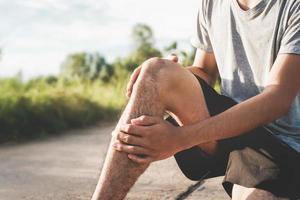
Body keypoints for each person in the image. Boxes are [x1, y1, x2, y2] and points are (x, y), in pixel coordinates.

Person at [91, 0, 300, 199]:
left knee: (259, 197)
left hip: (284, 146)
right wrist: (166, 79)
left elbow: (277, 99)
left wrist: (180, 138)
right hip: (229, 131)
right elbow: (205, 71)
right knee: (157, 71)